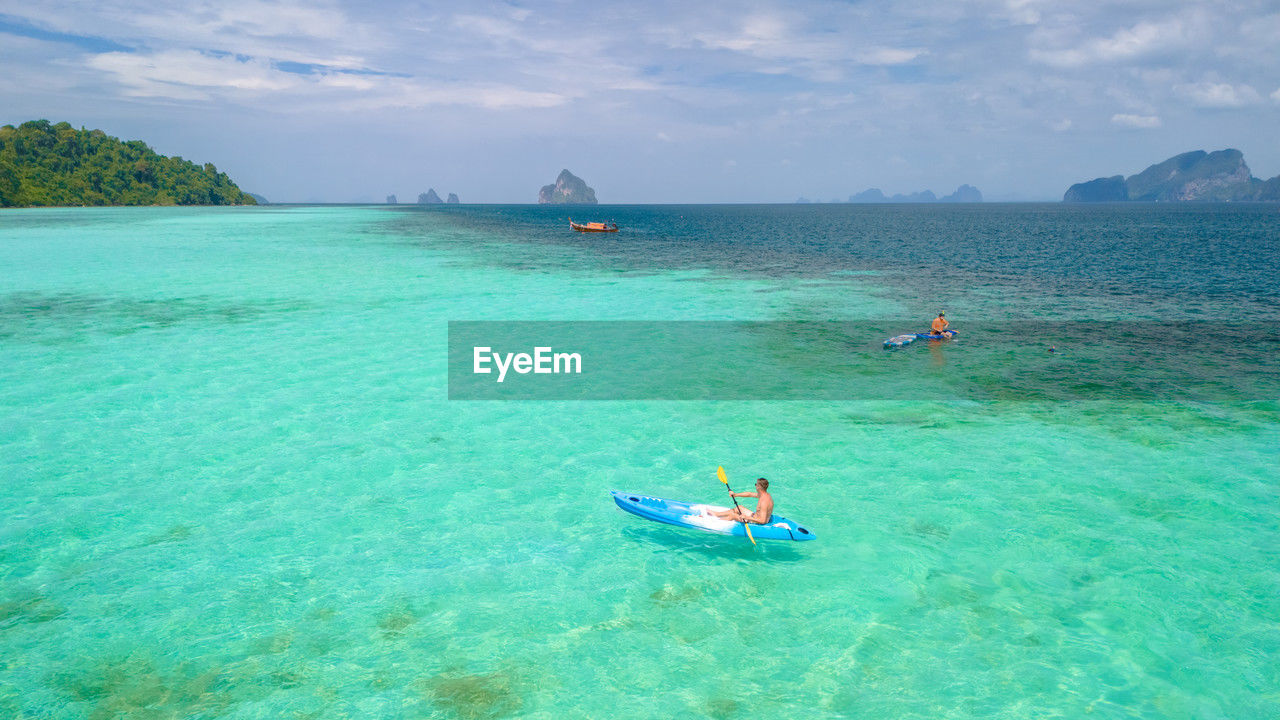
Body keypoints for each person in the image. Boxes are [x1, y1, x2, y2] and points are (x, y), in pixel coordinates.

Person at [709, 477, 773, 524]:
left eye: (756, 484)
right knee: (739, 507)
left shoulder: (764, 502)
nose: (755, 486)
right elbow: (749, 494)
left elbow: (762, 520)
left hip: (756, 522)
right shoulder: (764, 495)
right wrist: (735, 494)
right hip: (754, 516)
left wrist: (746, 517)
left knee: (732, 515)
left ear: (759, 487)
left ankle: (716, 522)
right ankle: (716, 514)